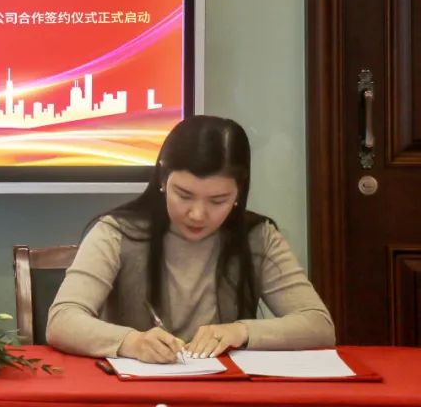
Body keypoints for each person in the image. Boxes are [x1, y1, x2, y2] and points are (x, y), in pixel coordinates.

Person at [46, 115, 335, 362]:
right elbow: (62, 320)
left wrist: (241, 331)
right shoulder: (117, 232)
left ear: (238, 193)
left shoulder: (257, 237)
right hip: (138, 392)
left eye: (218, 200)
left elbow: (319, 324)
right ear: (163, 180)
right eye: (184, 195)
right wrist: (131, 342)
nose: (197, 214)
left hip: (225, 393)